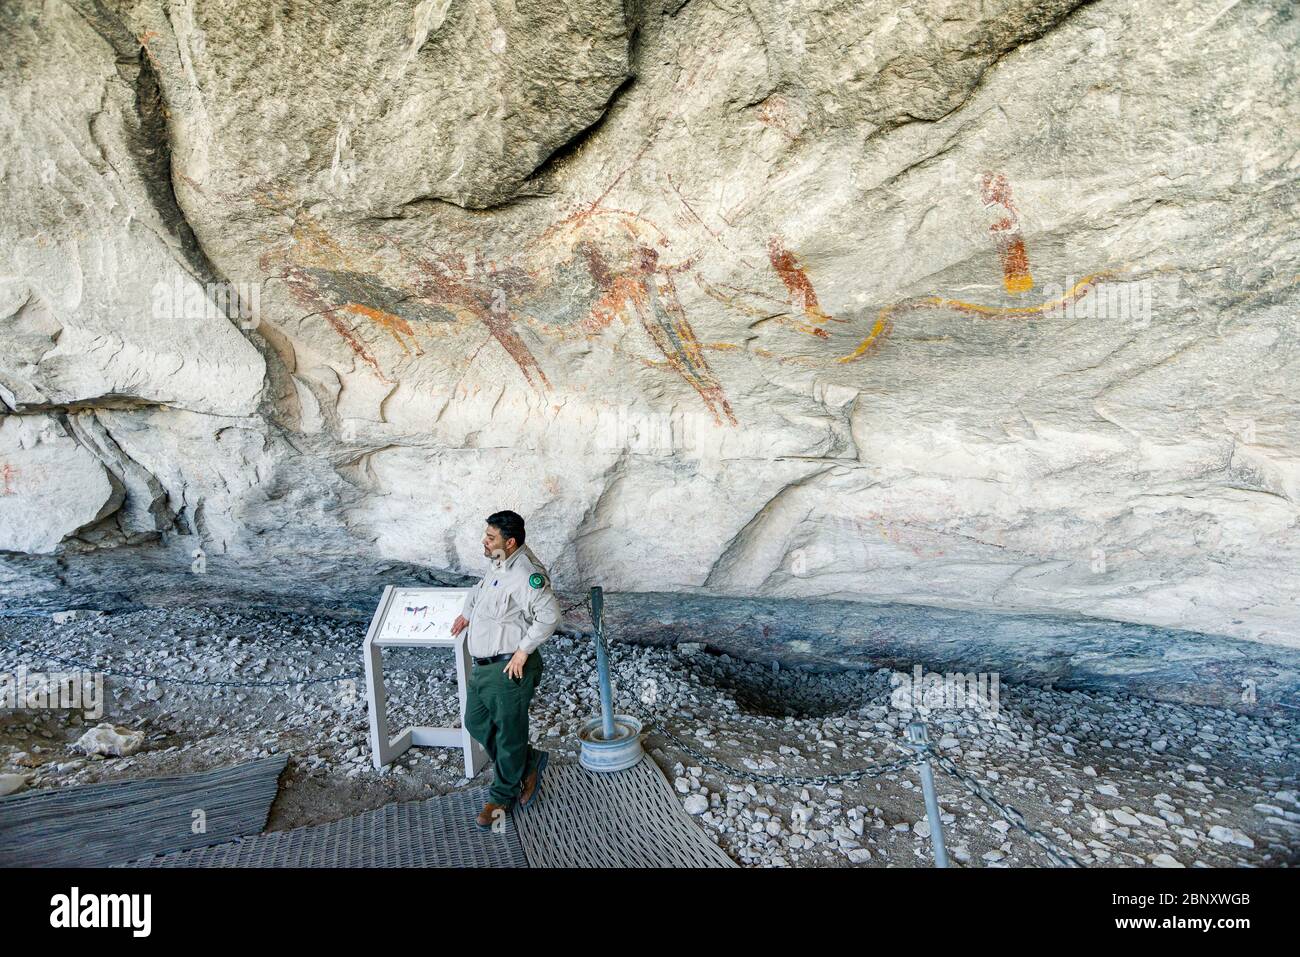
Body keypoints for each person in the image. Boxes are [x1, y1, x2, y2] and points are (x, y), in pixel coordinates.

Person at [451, 509, 560, 828]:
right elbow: (481, 590)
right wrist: (469, 612)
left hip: (508, 668)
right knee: (475, 721)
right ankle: (529, 763)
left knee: (510, 736)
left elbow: (549, 616)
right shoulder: (500, 561)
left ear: (510, 542)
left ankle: (501, 797)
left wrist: (523, 652)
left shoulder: (526, 573)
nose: (484, 541)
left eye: (490, 537)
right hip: (484, 667)